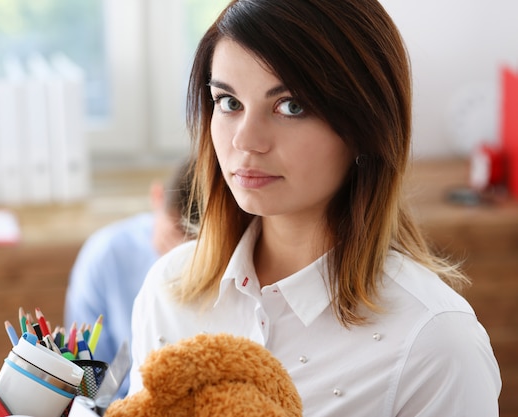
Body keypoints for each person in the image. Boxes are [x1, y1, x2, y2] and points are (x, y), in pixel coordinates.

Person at [128, 1, 502, 416]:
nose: (245, 141)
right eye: (229, 102)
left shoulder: (434, 343)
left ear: (366, 125)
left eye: (291, 106)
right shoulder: (167, 292)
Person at [63, 158, 197, 399]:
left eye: (194, 247)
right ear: (156, 197)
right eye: (173, 236)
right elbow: (87, 374)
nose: (180, 257)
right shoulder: (105, 254)